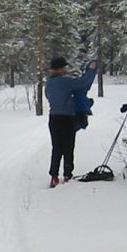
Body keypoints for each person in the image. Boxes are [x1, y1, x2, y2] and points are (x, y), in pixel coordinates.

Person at [44, 55, 97, 187]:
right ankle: (67, 175)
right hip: (67, 118)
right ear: (60, 68)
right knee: (68, 147)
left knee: (56, 147)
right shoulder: (65, 82)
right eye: (64, 67)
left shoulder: (48, 83)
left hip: (53, 118)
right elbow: (83, 83)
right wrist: (91, 70)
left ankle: (54, 176)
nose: (65, 69)